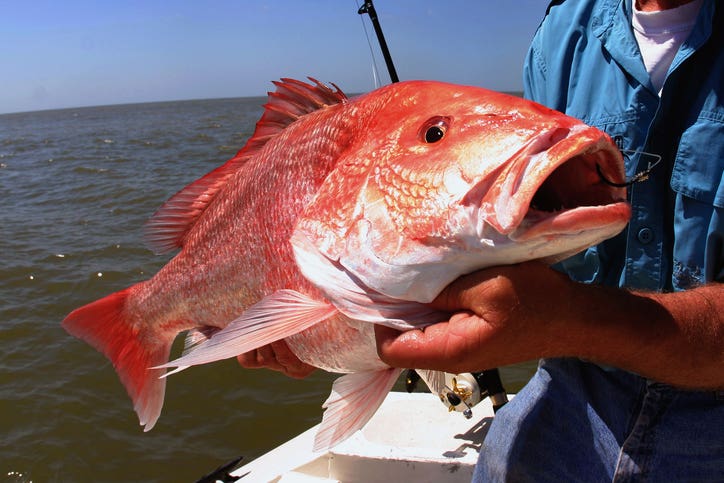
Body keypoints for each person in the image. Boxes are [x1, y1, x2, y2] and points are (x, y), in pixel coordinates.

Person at [240, 0, 723, 480]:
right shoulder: (562, 34)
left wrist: (571, 321)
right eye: (433, 133)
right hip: (572, 388)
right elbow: (499, 245)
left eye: (434, 133)